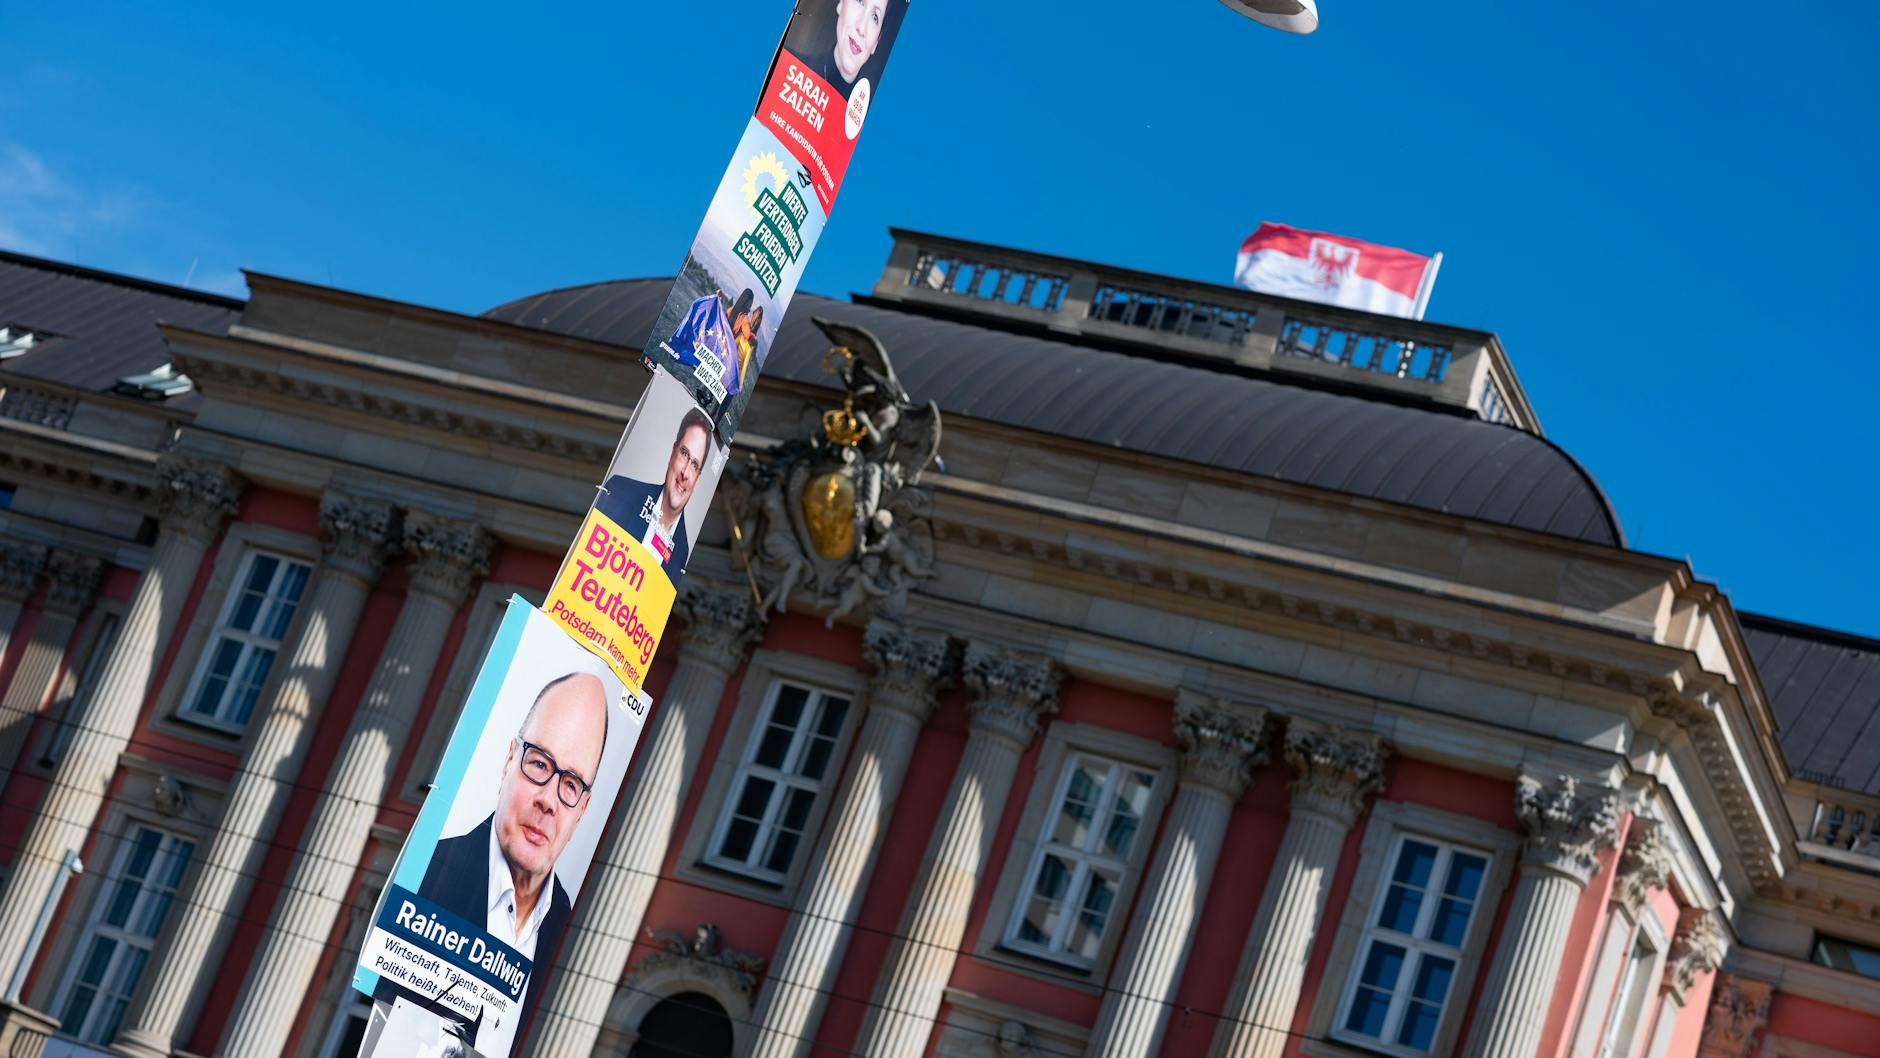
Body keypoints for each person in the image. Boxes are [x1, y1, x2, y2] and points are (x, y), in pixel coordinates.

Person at [388, 672, 611, 1057]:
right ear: (509, 759)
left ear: (583, 811)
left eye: (571, 784)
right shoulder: (432, 869)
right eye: (539, 764)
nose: (549, 800)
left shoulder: (571, 930)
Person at [593, 407, 712, 573]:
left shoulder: (682, 553)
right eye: (684, 454)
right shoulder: (620, 491)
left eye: (694, 465)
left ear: (698, 477)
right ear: (673, 452)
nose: (685, 472)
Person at [800, 0, 887, 92]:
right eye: (860, 2)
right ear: (841, 3)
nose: (861, 28)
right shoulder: (788, 66)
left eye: (875, 17)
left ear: (876, 42)